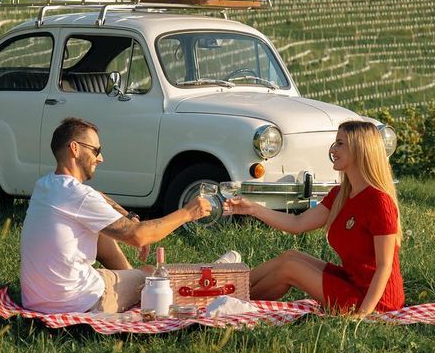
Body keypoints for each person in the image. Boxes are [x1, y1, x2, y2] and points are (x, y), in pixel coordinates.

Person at [20, 117, 210, 314]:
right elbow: (139, 236)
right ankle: (141, 278)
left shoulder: (46, 186)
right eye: (96, 150)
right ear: (75, 149)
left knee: (100, 230)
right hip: (80, 302)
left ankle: (128, 276)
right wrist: (188, 212)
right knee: (150, 275)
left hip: (36, 300)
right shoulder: (80, 196)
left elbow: (97, 198)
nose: (100, 158)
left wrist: (127, 216)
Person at [224, 120, 404, 316]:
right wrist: (253, 209)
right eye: (335, 143)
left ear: (360, 148)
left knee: (290, 268)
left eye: (340, 143)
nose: (333, 149)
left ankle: (232, 304)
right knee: (290, 257)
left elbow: (384, 266)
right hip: (353, 282)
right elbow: (297, 223)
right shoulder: (341, 194)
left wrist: (363, 314)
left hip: (376, 300)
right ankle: (228, 289)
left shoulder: (378, 201)